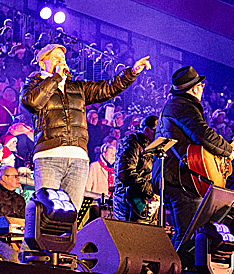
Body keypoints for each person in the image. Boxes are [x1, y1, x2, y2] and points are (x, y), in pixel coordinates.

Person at [20, 43, 149, 212]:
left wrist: (131, 73)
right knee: (47, 213)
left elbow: (107, 88)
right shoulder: (33, 85)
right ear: (42, 62)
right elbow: (33, 103)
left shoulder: (77, 87)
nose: (61, 61)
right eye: (56, 57)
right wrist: (55, 78)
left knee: (71, 214)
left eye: (63, 58)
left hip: (78, 159)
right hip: (49, 156)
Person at [154, 66, 234, 249]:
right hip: (181, 181)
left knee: (189, 234)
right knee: (188, 236)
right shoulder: (183, 106)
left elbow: (197, 146)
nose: (203, 88)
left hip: (178, 178)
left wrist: (229, 149)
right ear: (195, 89)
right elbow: (202, 134)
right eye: (201, 85)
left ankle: (177, 265)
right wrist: (227, 149)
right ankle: (173, 266)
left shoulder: (177, 105)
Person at [111, 115, 159, 224]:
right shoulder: (131, 144)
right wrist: (151, 191)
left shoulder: (152, 147)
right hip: (129, 201)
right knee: (135, 232)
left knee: (149, 232)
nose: (158, 135)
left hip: (144, 200)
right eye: (156, 131)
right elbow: (126, 174)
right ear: (147, 130)